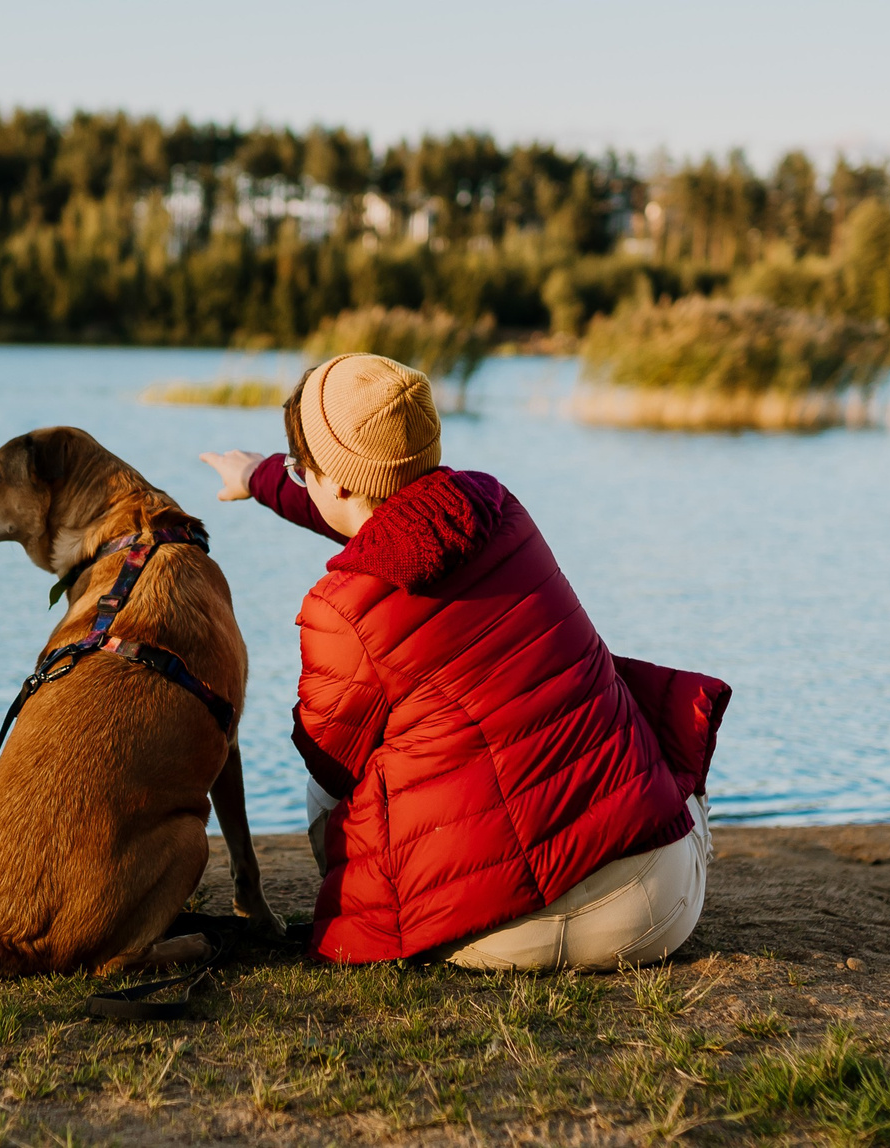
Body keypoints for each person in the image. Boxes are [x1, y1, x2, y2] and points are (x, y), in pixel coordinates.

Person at [200, 352, 729, 969]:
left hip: (514, 932)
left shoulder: (338, 611)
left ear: (335, 480)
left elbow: (331, 763)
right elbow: (388, 524)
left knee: (327, 776)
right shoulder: (498, 511)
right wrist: (261, 477)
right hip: (668, 893)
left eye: (300, 469)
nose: (300, 482)